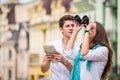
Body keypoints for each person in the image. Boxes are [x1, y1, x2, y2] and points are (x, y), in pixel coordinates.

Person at [40, 15, 80, 80]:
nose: (71, 28)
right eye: (67, 26)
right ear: (61, 29)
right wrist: (47, 61)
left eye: (73, 25)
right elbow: (43, 70)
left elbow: (77, 73)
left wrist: (64, 61)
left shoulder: (79, 48)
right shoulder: (53, 45)